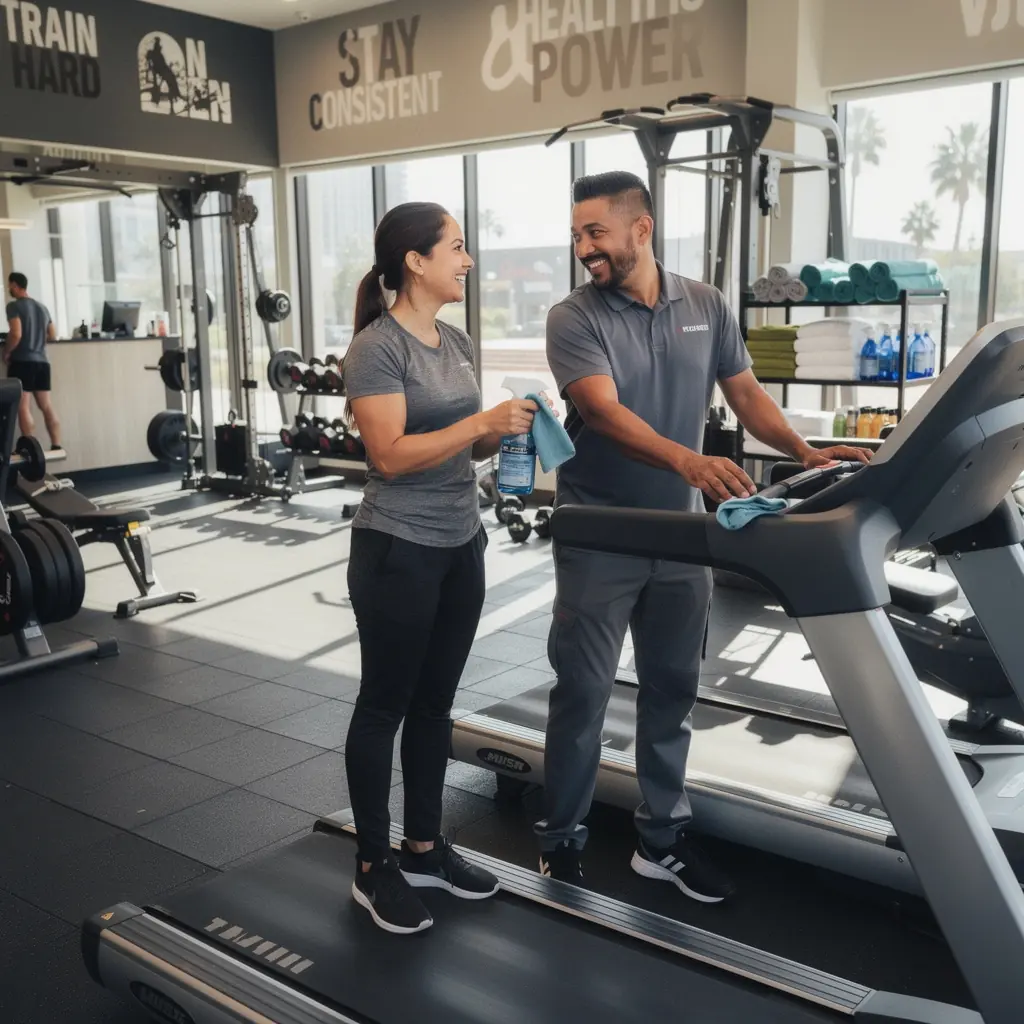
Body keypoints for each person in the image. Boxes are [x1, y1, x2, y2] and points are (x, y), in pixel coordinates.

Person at [536, 171, 869, 900]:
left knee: (672, 692)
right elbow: (604, 413)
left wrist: (807, 452)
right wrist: (690, 459)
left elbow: (746, 395)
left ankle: (660, 841)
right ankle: (559, 841)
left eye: (595, 232)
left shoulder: (707, 304)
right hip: (602, 535)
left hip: (683, 538)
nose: (582, 247)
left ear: (641, 230)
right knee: (584, 693)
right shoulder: (574, 317)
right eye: (576, 234)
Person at [342, 202, 539, 935]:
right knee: (384, 706)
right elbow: (388, 456)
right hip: (397, 548)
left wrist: (505, 429)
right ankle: (371, 866)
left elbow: (462, 444)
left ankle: (423, 847)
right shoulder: (376, 346)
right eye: (457, 248)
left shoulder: (453, 337)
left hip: (462, 543)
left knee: (434, 707)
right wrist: (478, 423)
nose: (468, 260)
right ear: (415, 261)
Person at [4, 272, 61, 449]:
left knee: (23, 407)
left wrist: (6, 351)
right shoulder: (42, 307)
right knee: (46, 406)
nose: (9, 289)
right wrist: (36, 342)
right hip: (42, 362)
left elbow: (16, 333)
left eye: (9, 285)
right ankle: (56, 445)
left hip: (22, 362)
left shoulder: (14, 306)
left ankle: (31, 449)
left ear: (14, 285)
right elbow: (52, 334)